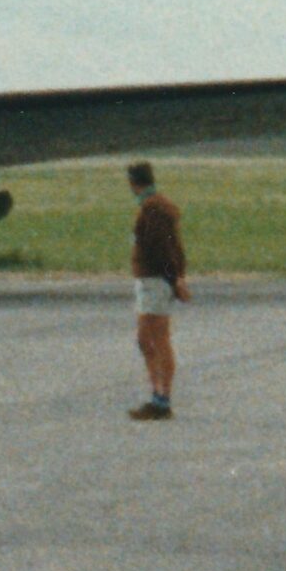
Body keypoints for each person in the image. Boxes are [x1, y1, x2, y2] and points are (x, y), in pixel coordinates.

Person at [125, 160, 191, 421]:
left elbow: (164, 250)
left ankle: (162, 400)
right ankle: (157, 395)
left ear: (133, 182)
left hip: (154, 281)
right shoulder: (154, 207)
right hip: (150, 281)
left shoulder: (153, 210)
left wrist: (175, 279)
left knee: (156, 339)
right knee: (147, 339)